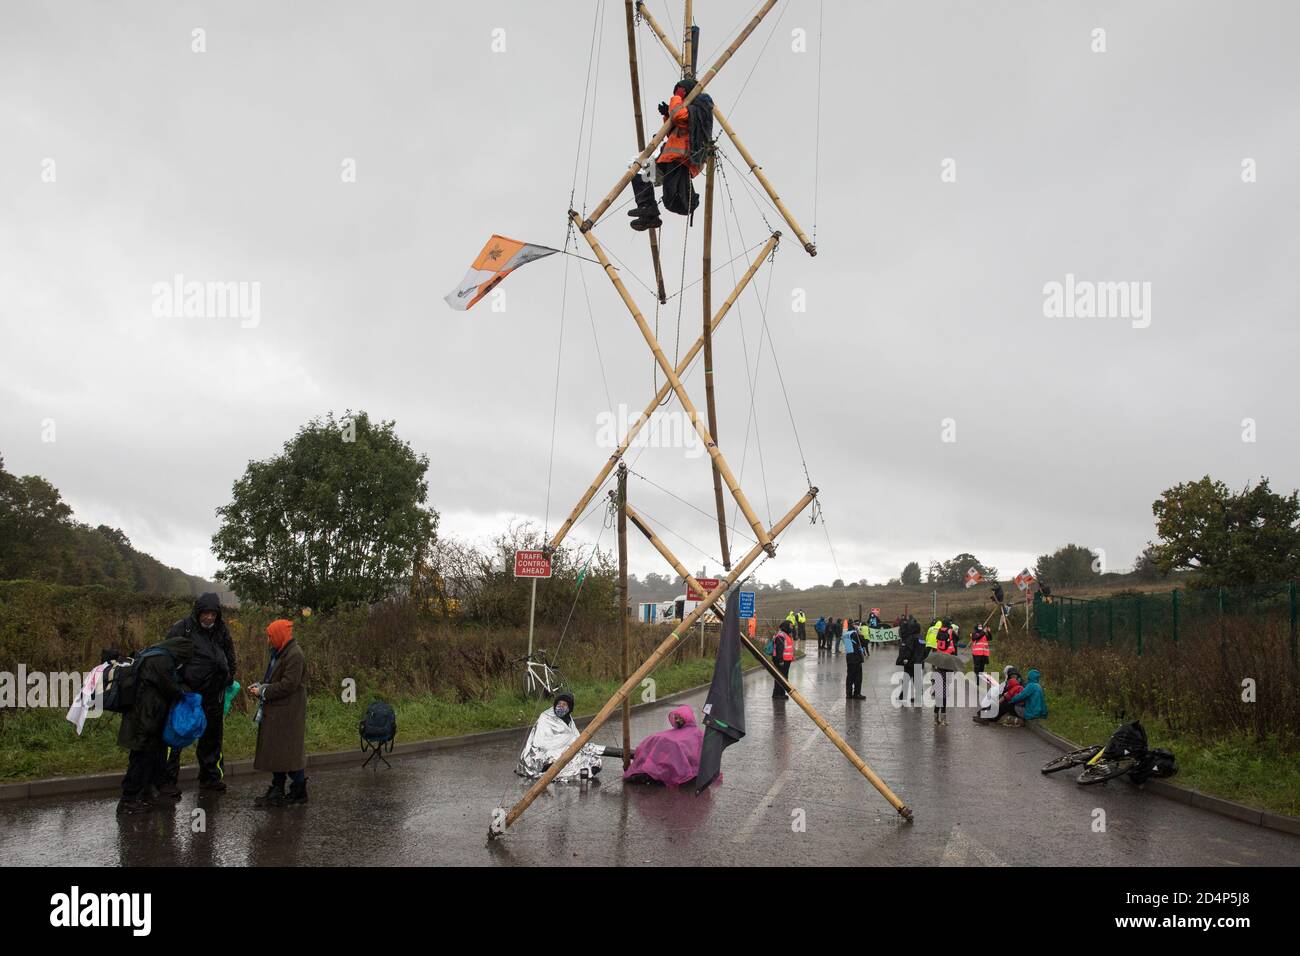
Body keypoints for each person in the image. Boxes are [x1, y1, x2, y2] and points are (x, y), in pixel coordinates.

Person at [159, 592, 237, 796]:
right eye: (205, 613)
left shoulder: (221, 630)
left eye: (213, 614)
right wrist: (177, 686)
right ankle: (167, 781)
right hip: (187, 692)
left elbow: (230, 653)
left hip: (214, 692)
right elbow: (166, 657)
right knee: (177, 734)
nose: (209, 618)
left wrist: (229, 676)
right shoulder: (183, 628)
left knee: (212, 737)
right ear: (198, 612)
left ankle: (210, 778)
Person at [116, 632, 196, 814]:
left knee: (145, 757)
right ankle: (128, 800)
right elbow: (169, 688)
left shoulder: (153, 654)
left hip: (144, 716)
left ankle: (140, 795)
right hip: (145, 719)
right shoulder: (162, 661)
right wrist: (185, 693)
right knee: (140, 759)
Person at [628, 77, 713, 231]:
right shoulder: (689, 112)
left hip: (681, 162)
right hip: (670, 161)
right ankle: (648, 209)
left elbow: (678, 116)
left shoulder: (698, 110)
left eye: (681, 93)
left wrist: (676, 98)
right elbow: (675, 131)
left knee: (646, 171)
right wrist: (667, 114)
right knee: (638, 168)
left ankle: (649, 209)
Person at [249, 619, 309, 807]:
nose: (268, 640)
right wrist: (262, 685)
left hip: (288, 713)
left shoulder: (295, 654)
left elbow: (289, 684)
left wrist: (264, 691)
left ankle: (299, 790)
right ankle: (277, 789)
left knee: (288, 754)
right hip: (276, 711)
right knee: (278, 753)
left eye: (270, 636)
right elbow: (274, 678)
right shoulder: (279, 651)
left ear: (279, 635)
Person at [516, 691, 623, 781]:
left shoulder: (569, 720)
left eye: (564, 705)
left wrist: (571, 749)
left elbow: (575, 739)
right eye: (559, 704)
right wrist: (562, 749)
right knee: (553, 759)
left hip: (565, 752)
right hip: (542, 753)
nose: (560, 706)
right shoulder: (545, 717)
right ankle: (553, 770)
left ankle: (571, 771)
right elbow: (540, 742)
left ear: (569, 708)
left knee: (594, 760)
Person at [623, 705, 701, 786]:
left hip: (677, 763)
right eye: (676, 718)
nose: (677, 720)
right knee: (655, 738)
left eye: (680, 718)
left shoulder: (696, 733)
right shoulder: (675, 733)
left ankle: (652, 772)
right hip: (665, 759)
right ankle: (650, 769)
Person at [931, 619, 958, 725]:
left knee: (938, 693)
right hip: (948, 664)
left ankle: (935, 719)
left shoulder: (939, 632)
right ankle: (944, 719)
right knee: (944, 694)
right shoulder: (951, 632)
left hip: (939, 663)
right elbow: (956, 640)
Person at [771, 621, 796, 699]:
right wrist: (780, 660)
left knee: (784, 677)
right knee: (780, 677)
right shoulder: (781, 636)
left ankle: (782, 693)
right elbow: (779, 649)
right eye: (791, 626)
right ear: (786, 626)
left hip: (786, 660)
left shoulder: (786, 635)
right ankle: (777, 694)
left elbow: (788, 648)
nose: (792, 628)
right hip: (781, 660)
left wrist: (792, 656)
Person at [844, 622, 867, 700]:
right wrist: (859, 633)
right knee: (858, 677)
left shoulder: (846, 634)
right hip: (856, 658)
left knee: (849, 677)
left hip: (849, 657)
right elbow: (864, 642)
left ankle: (848, 694)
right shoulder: (854, 634)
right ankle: (857, 694)